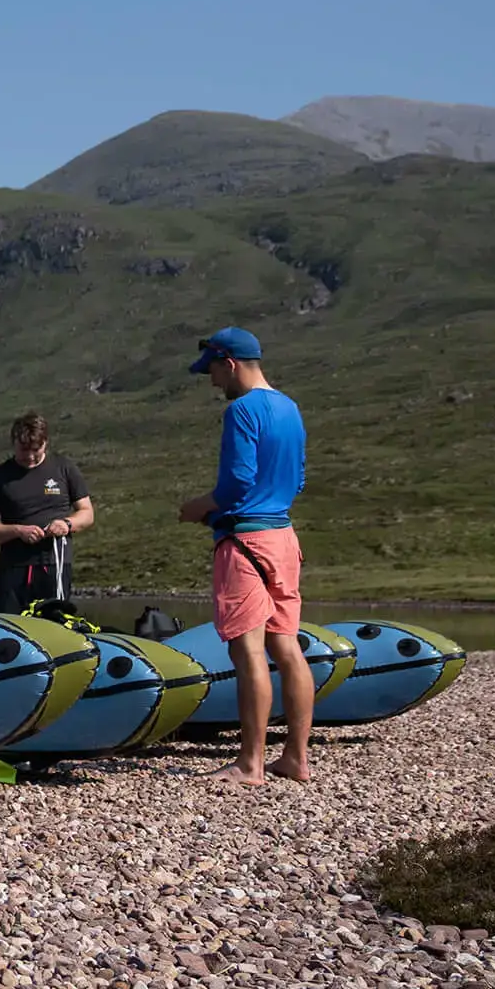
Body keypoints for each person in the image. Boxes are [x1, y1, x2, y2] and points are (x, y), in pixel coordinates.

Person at [176, 326, 312, 785]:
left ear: (229, 362)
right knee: (287, 647)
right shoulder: (289, 408)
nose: (213, 382)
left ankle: (250, 763)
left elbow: (235, 483)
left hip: (245, 541)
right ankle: (295, 757)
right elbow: (297, 481)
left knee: (248, 649)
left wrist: (199, 509)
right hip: (283, 537)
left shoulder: (242, 410)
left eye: (213, 371)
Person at [0, 412, 96, 613]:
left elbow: (86, 513)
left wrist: (66, 524)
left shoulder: (64, 468)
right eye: (24, 450)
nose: (30, 457)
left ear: (45, 443)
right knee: (8, 627)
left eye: (36, 450)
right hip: (13, 568)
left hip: (54, 565)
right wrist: (18, 531)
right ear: (13, 443)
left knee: (56, 627)